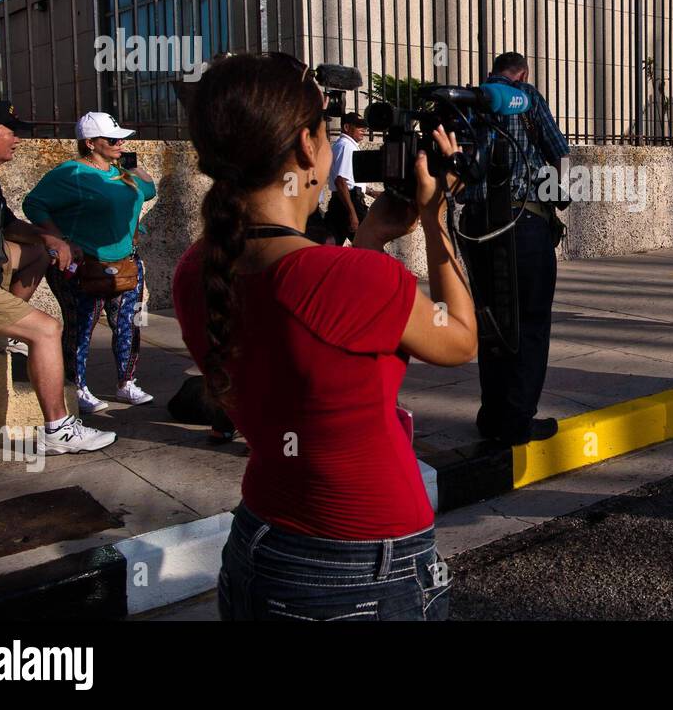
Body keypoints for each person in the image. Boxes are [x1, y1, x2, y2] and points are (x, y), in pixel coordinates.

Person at [171, 52, 476, 621]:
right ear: (308, 146)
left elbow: (313, 317)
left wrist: (376, 231)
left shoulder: (196, 268)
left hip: (262, 542)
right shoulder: (352, 280)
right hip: (361, 567)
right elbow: (460, 339)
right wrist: (436, 218)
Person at [0, 102, 115, 454]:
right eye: (11, 131)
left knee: (39, 252)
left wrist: (53, 239)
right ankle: (58, 429)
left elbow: (9, 226)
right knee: (47, 329)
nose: (17, 139)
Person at [458, 51, 569, 446]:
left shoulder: (469, 102)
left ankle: (491, 416)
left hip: (475, 224)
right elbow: (559, 149)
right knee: (530, 322)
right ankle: (518, 419)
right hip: (522, 222)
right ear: (521, 72)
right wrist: (562, 194)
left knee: (491, 321)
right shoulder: (526, 96)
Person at [23, 112, 157, 414]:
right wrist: (60, 241)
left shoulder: (121, 170)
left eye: (122, 138)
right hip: (85, 264)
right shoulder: (71, 173)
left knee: (128, 324)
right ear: (90, 143)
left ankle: (126, 382)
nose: (120, 143)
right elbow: (33, 203)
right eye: (112, 139)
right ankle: (77, 386)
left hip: (125, 261)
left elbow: (149, 190)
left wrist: (130, 162)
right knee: (80, 327)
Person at [324, 112, 369, 246]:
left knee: (332, 247)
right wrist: (352, 213)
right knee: (369, 247)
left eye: (364, 127)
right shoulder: (346, 146)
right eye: (359, 126)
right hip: (349, 202)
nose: (364, 130)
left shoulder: (344, 145)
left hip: (341, 202)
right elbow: (341, 181)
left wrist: (370, 191)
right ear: (346, 127)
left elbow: (348, 180)